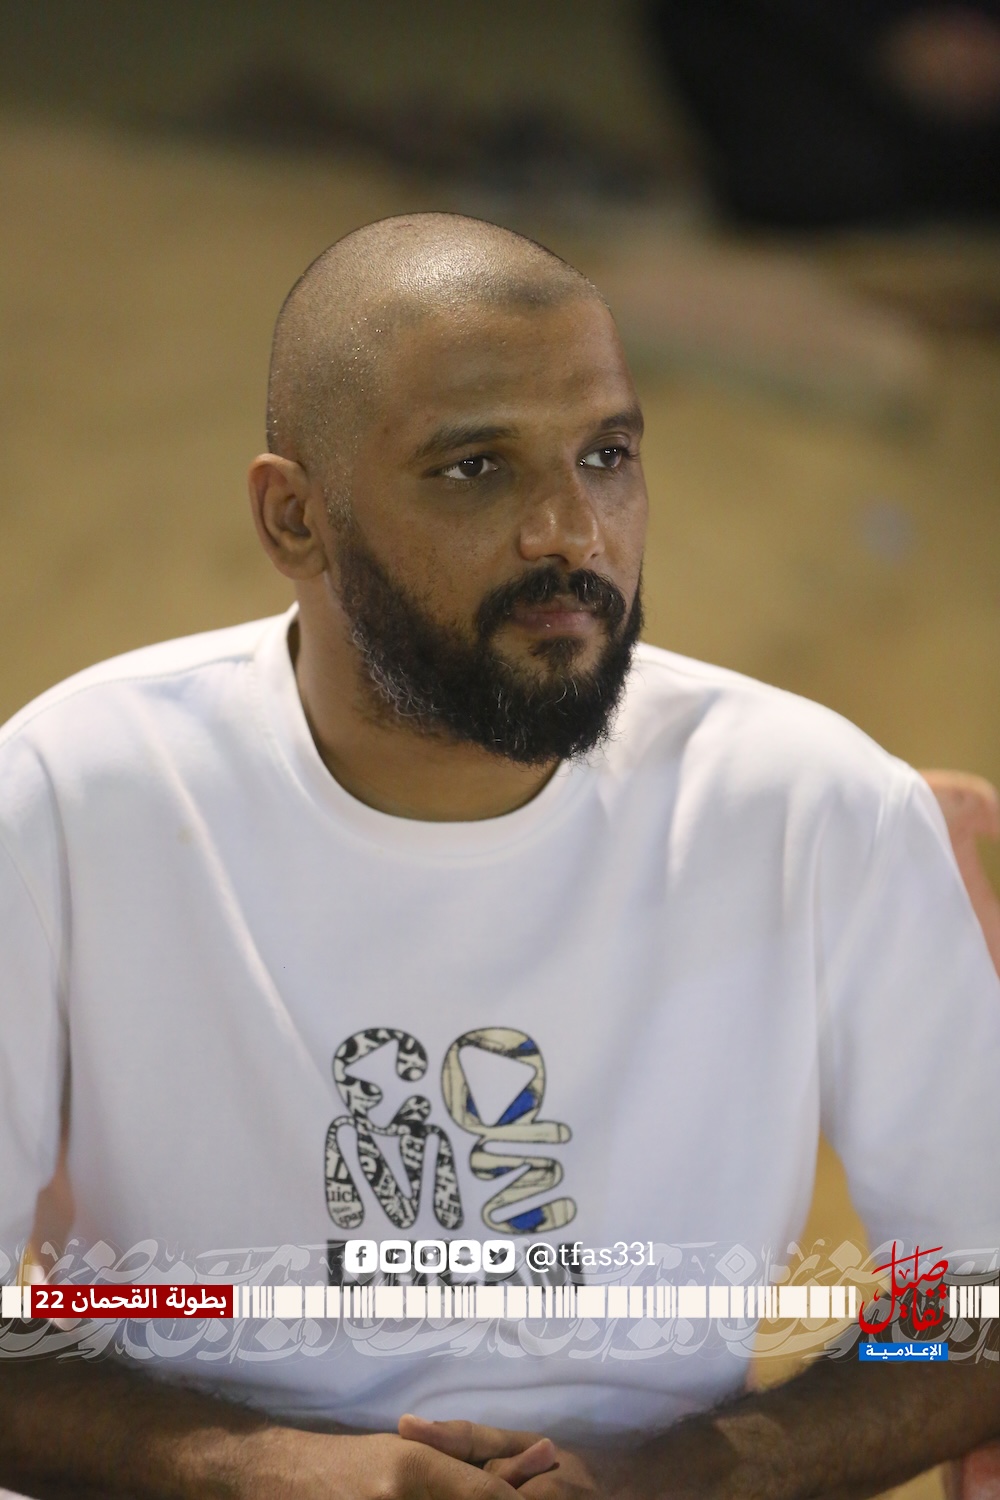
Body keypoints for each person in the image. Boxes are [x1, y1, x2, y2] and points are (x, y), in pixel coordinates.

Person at [0, 213, 998, 1499]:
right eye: (474, 467)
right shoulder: (73, 795)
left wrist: (683, 1478)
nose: (568, 531)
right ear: (295, 518)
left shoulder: (812, 807)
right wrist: (272, 1471)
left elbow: (976, 1301)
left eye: (606, 455)